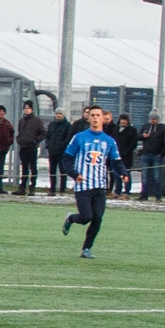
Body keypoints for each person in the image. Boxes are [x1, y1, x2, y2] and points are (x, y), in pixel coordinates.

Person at [60, 106, 124, 259]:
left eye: (98, 115)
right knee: (86, 217)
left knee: (98, 217)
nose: (95, 118)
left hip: (100, 186)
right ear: (88, 118)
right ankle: (70, 218)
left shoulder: (109, 141)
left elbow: (116, 161)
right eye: (92, 115)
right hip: (83, 185)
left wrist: (123, 173)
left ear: (103, 118)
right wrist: (74, 174)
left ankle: (86, 249)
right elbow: (66, 159)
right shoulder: (79, 137)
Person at [13, 101, 46, 195]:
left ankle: (32, 187)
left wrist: (36, 140)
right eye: (25, 108)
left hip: (32, 147)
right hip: (23, 147)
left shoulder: (37, 121)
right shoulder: (22, 121)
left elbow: (43, 133)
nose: (26, 110)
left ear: (32, 109)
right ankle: (22, 187)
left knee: (33, 167)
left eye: (28, 108)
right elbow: (20, 133)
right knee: (24, 168)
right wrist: (19, 139)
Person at [136, 111, 165, 200]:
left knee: (157, 177)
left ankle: (158, 195)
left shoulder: (163, 128)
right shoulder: (146, 126)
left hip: (156, 155)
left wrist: (161, 154)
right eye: (151, 119)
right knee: (144, 176)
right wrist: (142, 136)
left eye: (154, 119)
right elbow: (137, 136)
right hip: (146, 154)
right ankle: (144, 194)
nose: (152, 121)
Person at [113, 113, 139, 196]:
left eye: (125, 120)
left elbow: (133, 143)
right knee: (117, 174)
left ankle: (127, 191)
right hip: (116, 155)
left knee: (126, 173)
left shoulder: (132, 130)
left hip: (127, 156)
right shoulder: (116, 129)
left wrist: (126, 152)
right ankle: (117, 190)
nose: (123, 121)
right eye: (122, 120)